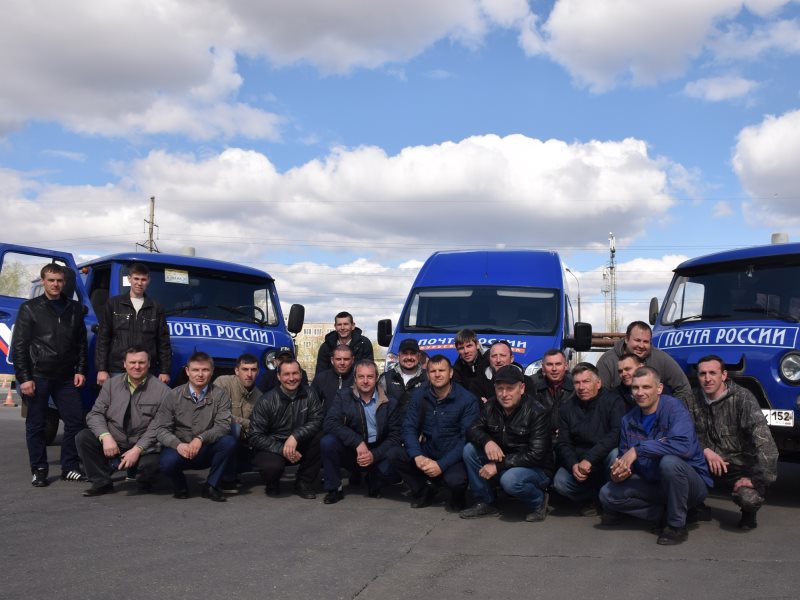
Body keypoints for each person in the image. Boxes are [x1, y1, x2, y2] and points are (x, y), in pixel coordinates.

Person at [598, 367, 712, 545]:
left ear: (658, 389)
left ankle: (676, 527)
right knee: (607, 494)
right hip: (655, 484)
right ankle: (665, 514)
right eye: (635, 388)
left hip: (690, 484)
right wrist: (619, 474)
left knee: (670, 462)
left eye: (646, 387)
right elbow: (625, 458)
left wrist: (638, 450)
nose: (640, 393)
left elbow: (683, 446)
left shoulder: (674, 408)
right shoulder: (628, 420)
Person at [11, 263, 88, 486]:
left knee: (74, 421)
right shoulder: (30, 308)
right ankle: (40, 469)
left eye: (59, 280)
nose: (55, 284)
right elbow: (19, 346)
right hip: (38, 375)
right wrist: (24, 378)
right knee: (36, 424)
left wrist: (81, 370)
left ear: (64, 282)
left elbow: (81, 343)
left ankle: (70, 467)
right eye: (51, 280)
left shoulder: (74, 308)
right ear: (43, 281)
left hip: (65, 377)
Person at [687, 355, 778, 530]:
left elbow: (765, 444)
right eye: (702, 374)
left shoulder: (743, 398)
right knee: (675, 472)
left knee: (749, 498)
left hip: (738, 467)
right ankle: (697, 508)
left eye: (713, 373)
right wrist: (705, 449)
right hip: (704, 463)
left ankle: (748, 513)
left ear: (724, 375)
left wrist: (757, 479)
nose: (707, 378)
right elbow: (682, 436)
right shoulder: (691, 399)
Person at [460, 366, 554, 522]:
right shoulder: (491, 405)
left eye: (510, 389)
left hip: (536, 468)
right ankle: (485, 501)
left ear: (522, 388)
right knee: (470, 450)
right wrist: (487, 441)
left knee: (510, 480)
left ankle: (539, 501)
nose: (504, 394)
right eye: (500, 389)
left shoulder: (537, 412)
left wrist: (498, 466)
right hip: (506, 460)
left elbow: (536, 455)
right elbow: (472, 429)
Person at [76, 346, 170, 496]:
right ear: (124, 364)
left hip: (145, 446)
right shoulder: (111, 385)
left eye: (141, 362)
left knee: (152, 465)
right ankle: (102, 482)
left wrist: (137, 449)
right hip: (115, 440)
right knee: (83, 437)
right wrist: (105, 436)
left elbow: (158, 426)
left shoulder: (163, 391)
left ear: (149, 364)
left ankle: (142, 479)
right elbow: (95, 414)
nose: (137, 366)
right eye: (132, 362)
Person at [391, 354, 479, 511]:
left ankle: (456, 496)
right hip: (428, 450)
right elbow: (409, 427)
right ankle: (425, 490)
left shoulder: (467, 400)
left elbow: (466, 439)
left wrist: (441, 465)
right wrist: (416, 455)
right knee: (395, 454)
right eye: (433, 371)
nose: (437, 374)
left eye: (441, 370)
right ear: (427, 374)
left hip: (453, 456)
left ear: (450, 373)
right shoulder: (420, 395)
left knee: (456, 481)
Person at [153, 352, 237, 502]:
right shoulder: (173, 395)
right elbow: (161, 429)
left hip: (205, 448)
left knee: (228, 442)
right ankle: (180, 485)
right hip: (180, 448)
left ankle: (211, 486)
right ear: (187, 371)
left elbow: (223, 426)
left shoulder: (221, 395)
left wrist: (200, 439)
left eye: (205, 370)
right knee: (167, 463)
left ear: (211, 372)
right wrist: (177, 444)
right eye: (195, 370)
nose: (200, 374)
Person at [321, 360, 402, 504]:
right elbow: (330, 422)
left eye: (370, 377)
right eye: (361, 377)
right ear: (355, 378)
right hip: (354, 450)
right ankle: (334, 488)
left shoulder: (391, 402)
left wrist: (374, 455)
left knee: (393, 472)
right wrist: (357, 442)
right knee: (328, 442)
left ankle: (374, 479)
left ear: (376, 377)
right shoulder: (343, 396)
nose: (365, 381)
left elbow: (395, 436)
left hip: (378, 451)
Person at [552, 363, 625, 515]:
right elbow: (563, 442)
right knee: (560, 482)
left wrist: (590, 459)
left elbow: (616, 433)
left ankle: (610, 499)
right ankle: (593, 499)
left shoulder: (613, 401)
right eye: (577, 383)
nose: (581, 387)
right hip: (579, 461)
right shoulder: (567, 408)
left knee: (615, 455)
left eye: (586, 382)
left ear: (598, 383)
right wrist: (572, 464)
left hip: (602, 456)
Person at [248, 358, 323, 499]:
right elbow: (255, 436)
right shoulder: (266, 400)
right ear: (278, 376)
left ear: (301, 375)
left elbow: (317, 420)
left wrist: (295, 436)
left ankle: (303, 482)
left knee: (323, 437)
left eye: (295, 373)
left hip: (300, 443)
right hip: (273, 447)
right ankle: (272, 483)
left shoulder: (310, 394)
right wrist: (282, 449)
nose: (291, 378)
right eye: (286, 374)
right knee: (271, 467)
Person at [95, 262, 171, 386]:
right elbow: (103, 338)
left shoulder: (156, 308)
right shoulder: (114, 304)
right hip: (117, 369)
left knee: (145, 405)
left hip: (146, 370)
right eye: (136, 278)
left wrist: (164, 371)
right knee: (117, 404)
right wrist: (101, 369)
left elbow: (163, 342)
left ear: (148, 281)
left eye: (143, 279)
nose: (139, 283)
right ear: (129, 279)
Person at [596, 321, 692, 404]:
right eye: (637, 340)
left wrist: (674, 413)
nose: (641, 346)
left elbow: (683, 388)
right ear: (626, 339)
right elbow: (599, 397)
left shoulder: (660, 358)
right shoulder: (607, 361)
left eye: (646, 342)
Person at [214, 353, 261, 488]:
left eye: (253, 370)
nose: (249, 374)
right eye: (245, 369)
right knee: (233, 427)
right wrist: (245, 423)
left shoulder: (260, 396)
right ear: (236, 371)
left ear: (258, 372)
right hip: (217, 435)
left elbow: (258, 426)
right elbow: (217, 415)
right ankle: (228, 479)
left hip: (244, 440)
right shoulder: (222, 383)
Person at [379, 338, 427, 416]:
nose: (409, 357)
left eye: (412, 353)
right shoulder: (385, 379)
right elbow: (379, 410)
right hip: (393, 428)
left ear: (418, 356)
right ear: (399, 356)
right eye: (405, 353)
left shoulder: (428, 378)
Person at [531, 349, 574, 431]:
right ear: (543, 367)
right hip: (541, 437)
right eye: (549, 364)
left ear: (566, 366)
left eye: (558, 364)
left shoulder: (576, 386)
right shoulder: (532, 386)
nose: (554, 369)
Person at [311, 344, 355, 414]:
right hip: (327, 423)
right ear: (332, 360)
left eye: (346, 359)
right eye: (338, 359)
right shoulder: (321, 379)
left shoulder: (359, 379)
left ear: (352, 360)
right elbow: (312, 408)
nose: (342, 363)